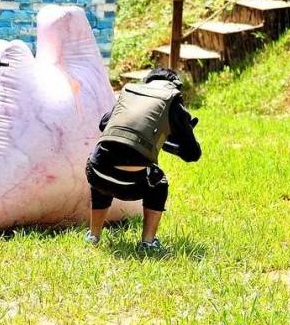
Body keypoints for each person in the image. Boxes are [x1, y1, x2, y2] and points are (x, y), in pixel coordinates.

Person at [85, 68, 202, 251]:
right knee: (159, 182)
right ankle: (147, 243)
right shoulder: (173, 101)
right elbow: (192, 154)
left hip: (97, 174)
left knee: (104, 160)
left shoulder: (131, 92)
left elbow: (103, 124)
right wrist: (173, 136)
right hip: (131, 184)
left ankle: (93, 236)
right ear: (175, 86)